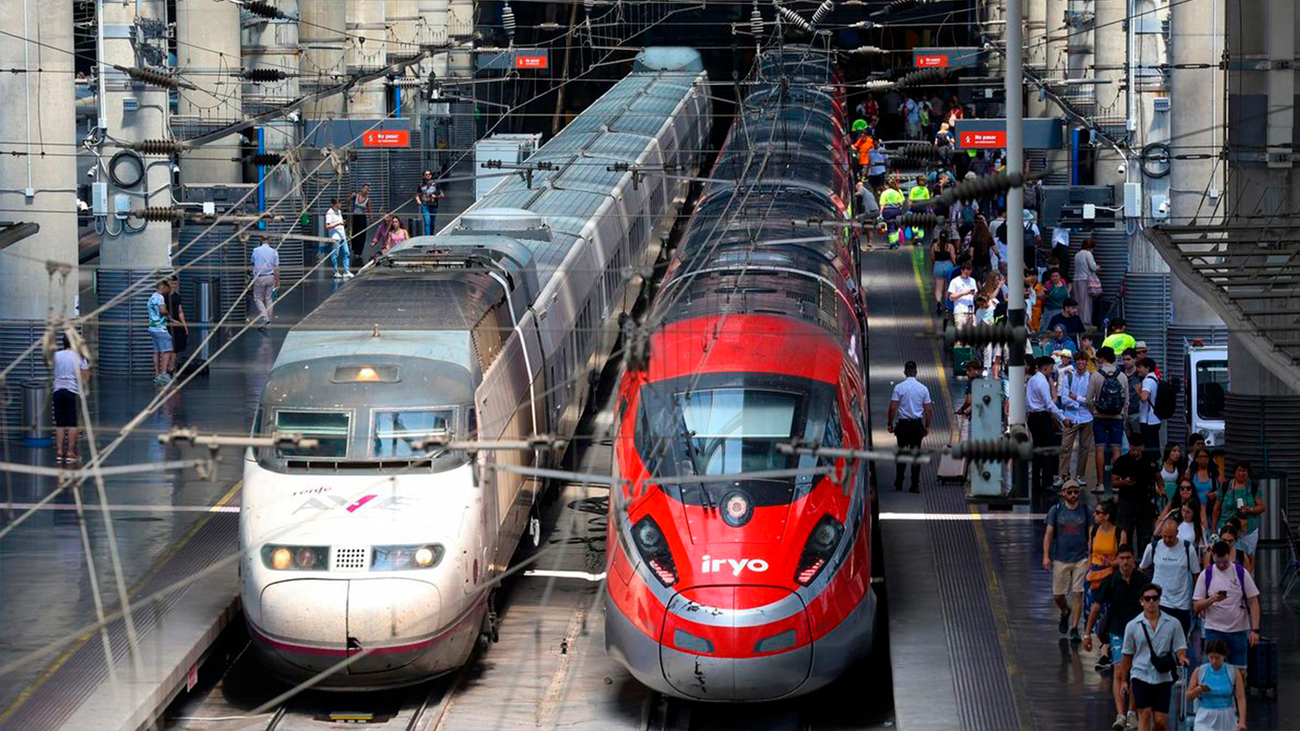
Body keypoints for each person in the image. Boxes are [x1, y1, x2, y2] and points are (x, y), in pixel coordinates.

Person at [1084, 543, 1143, 729]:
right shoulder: (1110, 580)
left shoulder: (1142, 581)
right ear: (1118, 560)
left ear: (1134, 559)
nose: (1125, 562)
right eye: (1122, 558)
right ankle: (1120, 714)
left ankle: (1132, 713)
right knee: (1119, 671)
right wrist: (1086, 634)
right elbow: (1096, 606)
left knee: (1135, 673)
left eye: (1128, 558)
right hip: (1117, 632)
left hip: (1138, 634)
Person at [1120, 583, 1190, 731]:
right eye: (1147, 599)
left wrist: (1182, 657)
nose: (1151, 602)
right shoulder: (1132, 626)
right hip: (1140, 675)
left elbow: (1180, 646)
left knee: (1160, 721)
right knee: (1144, 714)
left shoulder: (1173, 623)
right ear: (1141, 601)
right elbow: (1127, 656)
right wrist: (1124, 681)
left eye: (1154, 598)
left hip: (1163, 677)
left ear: (1159, 600)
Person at [1192, 540, 1261, 672]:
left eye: (1225, 561)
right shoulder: (1206, 575)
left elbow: (1253, 601)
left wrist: (1255, 630)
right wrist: (1211, 600)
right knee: (1213, 670)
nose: (1222, 565)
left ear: (1229, 555)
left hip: (1238, 630)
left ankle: (1239, 692)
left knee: (1240, 672)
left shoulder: (1240, 572)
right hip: (1214, 630)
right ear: (1213, 556)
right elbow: (1196, 606)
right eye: (1219, 562)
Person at [1044, 480, 1093, 641]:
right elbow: (1049, 534)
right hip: (1061, 558)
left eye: (1076, 492)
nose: (1073, 495)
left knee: (1079, 593)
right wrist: (1046, 555)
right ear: (1063, 493)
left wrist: (1091, 555)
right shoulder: (1056, 511)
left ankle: (1074, 628)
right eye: (1070, 492)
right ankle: (1065, 611)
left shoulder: (1086, 511)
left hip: (1081, 558)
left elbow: (1091, 535)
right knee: (1058, 595)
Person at [1140, 517, 1199, 638]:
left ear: (1177, 533)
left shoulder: (1188, 549)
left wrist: (1195, 598)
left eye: (1171, 536)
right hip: (1159, 602)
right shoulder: (1153, 547)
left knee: (1180, 640)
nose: (1167, 539)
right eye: (1164, 536)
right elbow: (1142, 568)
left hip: (1181, 604)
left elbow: (1195, 574)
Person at [887, 361, 932, 493]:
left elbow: (892, 407)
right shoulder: (923, 389)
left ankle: (899, 482)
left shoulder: (898, 388)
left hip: (903, 425)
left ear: (905, 372)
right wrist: (927, 426)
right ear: (916, 372)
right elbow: (928, 410)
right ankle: (914, 485)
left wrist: (889, 423)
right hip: (916, 425)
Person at [1027, 355, 1069, 495]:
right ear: (1045, 368)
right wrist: (1063, 418)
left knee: (1037, 450)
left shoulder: (1032, 380)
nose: (1052, 370)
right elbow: (1049, 404)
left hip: (1033, 417)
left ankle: (1035, 483)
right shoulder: (1042, 382)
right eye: (1051, 368)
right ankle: (1047, 483)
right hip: (1042, 417)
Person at [1187, 638, 1247, 731]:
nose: (1214, 661)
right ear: (1207, 656)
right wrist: (1199, 689)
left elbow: (1240, 697)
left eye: (1217, 657)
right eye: (1211, 657)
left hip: (1226, 716)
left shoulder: (1233, 672)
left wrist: (1242, 721)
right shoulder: (1199, 671)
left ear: (1224, 656)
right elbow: (1189, 696)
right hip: (1205, 716)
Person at [1214, 462, 1264, 569]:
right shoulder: (1225, 486)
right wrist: (1214, 530)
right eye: (1239, 470)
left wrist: (1249, 509)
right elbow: (1216, 509)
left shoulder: (1253, 487)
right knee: (1226, 557)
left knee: (1248, 557)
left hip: (1248, 530)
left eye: (1244, 471)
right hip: (1226, 529)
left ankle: (1248, 579)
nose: (1242, 473)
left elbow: (1261, 507)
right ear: (1234, 472)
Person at [1115, 434, 1158, 549]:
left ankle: (1143, 561)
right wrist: (1123, 482)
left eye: (1137, 448)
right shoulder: (1121, 461)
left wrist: (1160, 488)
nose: (1135, 451)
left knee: (1145, 533)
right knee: (1124, 532)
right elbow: (1113, 481)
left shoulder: (1149, 460)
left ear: (1142, 447)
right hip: (1126, 500)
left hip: (1144, 499)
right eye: (1132, 448)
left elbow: (1158, 477)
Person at [1059, 351, 1095, 489]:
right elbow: (1064, 399)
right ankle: (1062, 475)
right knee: (1065, 447)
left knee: (1085, 449)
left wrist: (1076, 398)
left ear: (1087, 362)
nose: (1080, 363)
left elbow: (1092, 401)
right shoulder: (1069, 376)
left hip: (1086, 417)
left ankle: (1080, 475)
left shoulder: (1091, 377)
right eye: (1078, 360)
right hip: (1071, 417)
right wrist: (1080, 401)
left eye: (1083, 360)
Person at [51, 334, 89, 464]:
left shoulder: (56, 355)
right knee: (73, 423)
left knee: (60, 423)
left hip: (57, 391)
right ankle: (70, 453)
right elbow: (84, 379)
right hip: (72, 392)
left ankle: (60, 452)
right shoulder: (80, 357)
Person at [147, 279, 174, 385]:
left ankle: (157, 375)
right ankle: (163, 374)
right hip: (160, 328)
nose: (168, 290)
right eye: (168, 288)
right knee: (167, 350)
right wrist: (168, 315)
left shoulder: (151, 297)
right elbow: (162, 311)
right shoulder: (160, 297)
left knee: (156, 351)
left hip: (152, 328)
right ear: (163, 287)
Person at [1136, 357, 1162, 458]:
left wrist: (1138, 390)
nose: (1138, 369)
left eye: (1140, 367)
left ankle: (1151, 467)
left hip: (1148, 420)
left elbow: (1144, 398)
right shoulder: (1155, 378)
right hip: (1155, 418)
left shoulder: (1147, 381)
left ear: (1148, 368)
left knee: (1149, 448)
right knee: (1155, 445)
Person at [251, 238, 280, 329]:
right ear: (269, 241)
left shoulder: (255, 250)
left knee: (258, 299)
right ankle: (269, 322)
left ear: (260, 240)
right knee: (269, 299)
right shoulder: (274, 252)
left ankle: (265, 318)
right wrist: (277, 280)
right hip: (271, 277)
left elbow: (252, 262)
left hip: (259, 277)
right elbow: (277, 268)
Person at [165, 275, 188, 372]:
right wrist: (171, 320)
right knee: (167, 347)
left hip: (177, 324)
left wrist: (185, 326)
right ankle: (165, 368)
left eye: (175, 283)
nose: (174, 285)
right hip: (167, 324)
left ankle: (171, 367)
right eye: (172, 283)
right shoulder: (164, 296)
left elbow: (180, 311)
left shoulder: (177, 296)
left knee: (176, 348)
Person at [1188, 447, 1221, 511]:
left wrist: (1216, 493)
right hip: (1195, 510)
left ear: (1209, 458)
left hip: (1212, 509)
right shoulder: (1191, 472)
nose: (1203, 459)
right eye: (1200, 457)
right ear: (1196, 459)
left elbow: (1225, 489)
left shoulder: (1215, 471)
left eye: (1205, 457)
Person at [325, 197, 350, 279]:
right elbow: (328, 226)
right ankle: (335, 271)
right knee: (335, 254)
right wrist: (338, 223)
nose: (339, 205)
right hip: (335, 237)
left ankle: (346, 271)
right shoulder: (329, 213)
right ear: (333, 204)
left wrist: (342, 225)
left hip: (342, 236)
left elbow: (340, 223)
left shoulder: (339, 211)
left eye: (340, 203)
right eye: (337, 204)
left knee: (346, 253)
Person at [947, 259, 977, 325]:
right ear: (962, 270)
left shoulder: (972, 281)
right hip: (960, 312)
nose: (968, 275)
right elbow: (951, 297)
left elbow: (975, 297)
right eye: (966, 273)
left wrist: (975, 295)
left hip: (971, 311)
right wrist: (964, 293)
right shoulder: (955, 281)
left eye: (969, 273)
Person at [879, 177, 907, 248]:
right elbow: (901, 203)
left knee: (890, 226)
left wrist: (880, 214)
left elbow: (882, 204)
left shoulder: (884, 193)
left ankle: (893, 243)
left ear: (886, 185)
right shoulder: (897, 192)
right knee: (896, 226)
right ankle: (897, 241)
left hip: (888, 211)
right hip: (897, 210)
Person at [415, 169, 443, 235]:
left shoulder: (435, 184)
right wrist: (418, 200)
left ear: (431, 175)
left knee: (432, 222)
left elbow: (442, 195)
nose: (428, 176)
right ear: (423, 176)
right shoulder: (421, 185)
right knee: (427, 221)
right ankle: (427, 237)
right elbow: (417, 194)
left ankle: (431, 234)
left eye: (429, 174)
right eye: (426, 174)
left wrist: (435, 196)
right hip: (425, 205)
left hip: (434, 205)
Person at [350, 184, 371, 260]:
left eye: (367, 189)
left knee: (362, 235)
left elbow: (369, 211)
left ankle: (359, 252)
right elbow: (348, 201)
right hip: (355, 217)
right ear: (362, 188)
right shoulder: (356, 196)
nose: (365, 190)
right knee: (355, 233)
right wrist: (351, 197)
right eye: (364, 188)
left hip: (362, 218)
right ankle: (355, 251)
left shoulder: (367, 199)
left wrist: (370, 219)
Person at [906, 175, 931, 242]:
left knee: (914, 221)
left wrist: (909, 207)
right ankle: (921, 237)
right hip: (923, 206)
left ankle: (915, 235)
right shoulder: (925, 189)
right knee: (922, 222)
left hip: (915, 206)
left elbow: (910, 199)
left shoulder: (913, 189)